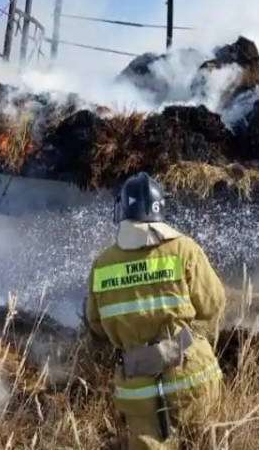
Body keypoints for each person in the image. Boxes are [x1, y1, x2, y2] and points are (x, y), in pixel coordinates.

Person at [85, 172, 226, 449]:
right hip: (192, 373)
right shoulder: (184, 249)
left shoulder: (102, 264)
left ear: (122, 210)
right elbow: (213, 304)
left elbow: (96, 325)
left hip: (138, 387)